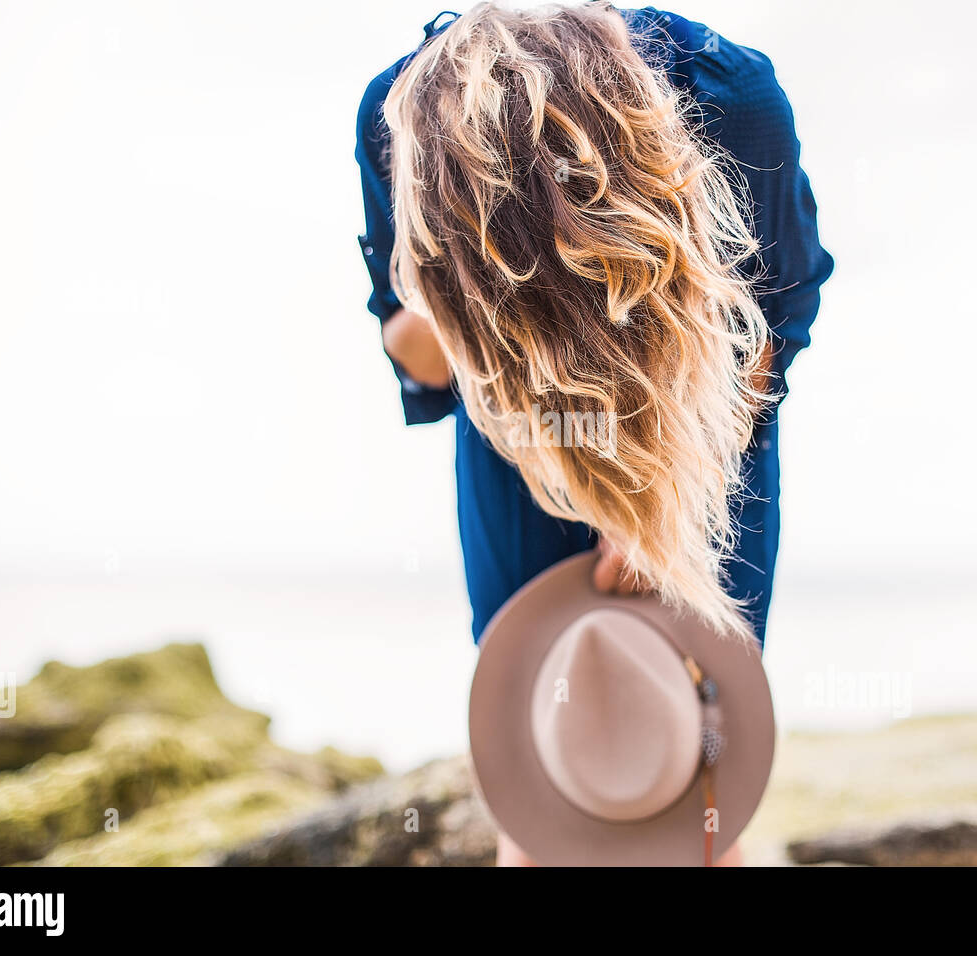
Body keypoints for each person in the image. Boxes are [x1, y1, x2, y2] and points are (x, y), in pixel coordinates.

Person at [356, 2, 833, 865]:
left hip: (704, 443)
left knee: (696, 771)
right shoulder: (403, 113)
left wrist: (663, 514)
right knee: (542, 773)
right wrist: (452, 279)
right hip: (517, 451)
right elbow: (420, 361)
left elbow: (768, 332)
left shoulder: (731, 96)